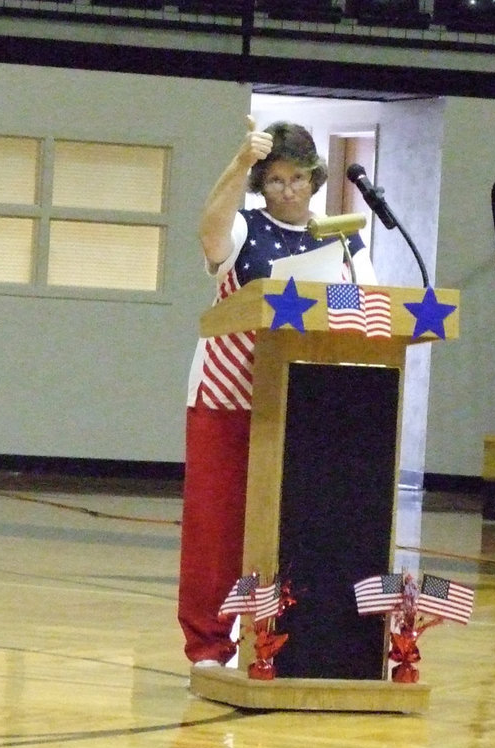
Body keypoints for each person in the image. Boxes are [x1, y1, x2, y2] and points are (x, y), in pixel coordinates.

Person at [178, 115, 377, 667]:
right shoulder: (243, 227)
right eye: (274, 180)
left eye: (298, 178)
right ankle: (209, 645)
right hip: (228, 397)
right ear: (260, 186)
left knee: (300, 527)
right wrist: (239, 160)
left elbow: (372, 303)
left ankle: (290, 640)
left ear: (315, 179)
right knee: (216, 528)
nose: (288, 190)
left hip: (308, 400)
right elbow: (209, 235)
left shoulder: (344, 236)